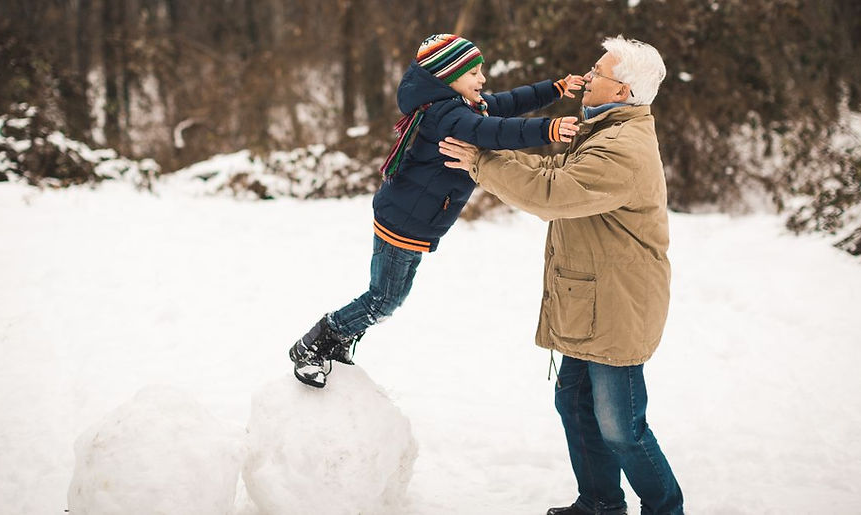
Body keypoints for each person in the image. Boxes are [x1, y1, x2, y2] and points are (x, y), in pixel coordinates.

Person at [438, 35, 684, 515]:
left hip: (618, 306)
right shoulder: (601, 130)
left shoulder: (623, 146)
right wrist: (489, 141)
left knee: (621, 427)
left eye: (599, 72)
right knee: (574, 404)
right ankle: (599, 503)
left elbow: (553, 193)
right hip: (590, 300)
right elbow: (549, 164)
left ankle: (665, 509)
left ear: (621, 92)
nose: (587, 76)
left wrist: (482, 162)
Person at [289, 33, 586, 388]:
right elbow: (494, 131)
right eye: (474, 72)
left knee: (388, 298)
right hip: (404, 221)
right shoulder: (448, 115)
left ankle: (335, 341)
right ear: (448, 76)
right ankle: (314, 345)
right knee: (383, 300)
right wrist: (547, 127)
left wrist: (554, 89)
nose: (482, 79)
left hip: (415, 221)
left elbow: (506, 103)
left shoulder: (458, 107)